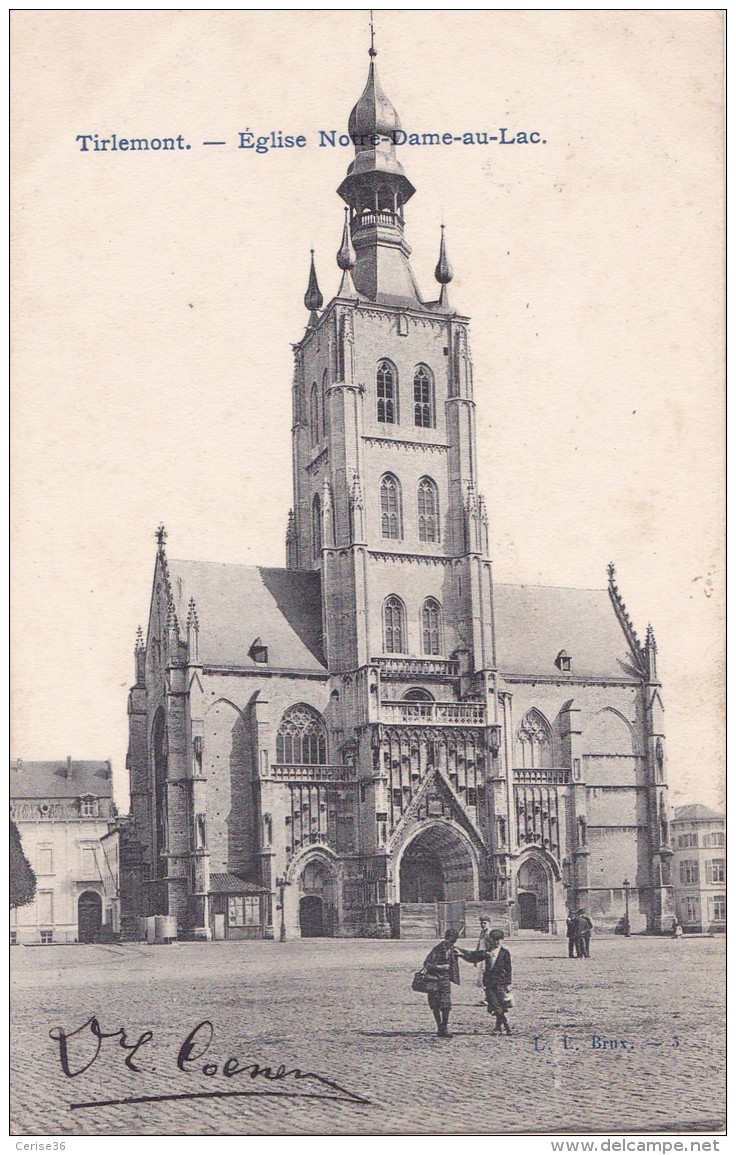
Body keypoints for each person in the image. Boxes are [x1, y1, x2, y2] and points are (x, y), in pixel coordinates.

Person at [459, 929, 513, 1035]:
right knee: (494, 1004)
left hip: (500, 983)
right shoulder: (487, 951)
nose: (496, 942)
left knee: (500, 1005)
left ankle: (499, 1028)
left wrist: (509, 983)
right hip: (489, 983)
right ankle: (506, 1026)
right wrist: (461, 954)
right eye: (494, 940)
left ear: (502, 940)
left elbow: (509, 968)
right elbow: (474, 956)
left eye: (499, 940)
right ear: (491, 940)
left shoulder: (505, 953)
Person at [423, 929, 461, 1037]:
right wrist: (440, 967)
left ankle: (444, 1027)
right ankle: (439, 1026)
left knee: (446, 1005)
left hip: (445, 980)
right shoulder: (437, 949)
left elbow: (468, 955)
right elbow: (427, 964)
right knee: (435, 1005)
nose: (451, 943)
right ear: (446, 938)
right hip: (434, 980)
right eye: (450, 941)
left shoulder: (453, 949)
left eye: (453, 941)